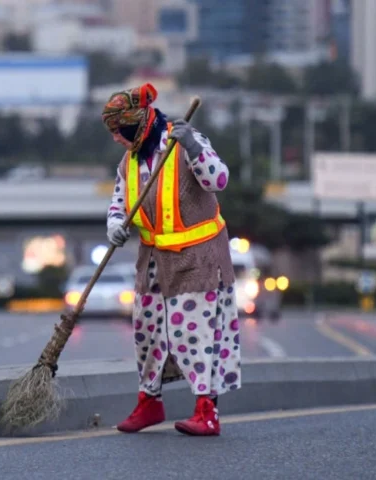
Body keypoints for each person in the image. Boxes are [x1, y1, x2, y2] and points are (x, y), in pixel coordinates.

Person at [101, 83, 241, 436]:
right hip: (153, 259)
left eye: (120, 131)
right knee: (147, 333)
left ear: (136, 125)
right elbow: (120, 201)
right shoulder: (129, 161)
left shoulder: (182, 143)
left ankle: (206, 410)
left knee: (193, 334)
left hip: (198, 257)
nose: (117, 138)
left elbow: (219, 179)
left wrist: (193, 146)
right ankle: (150, 403)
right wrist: (116, 225)